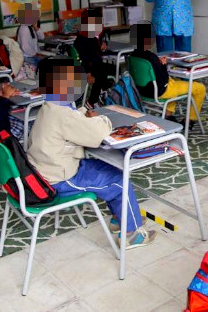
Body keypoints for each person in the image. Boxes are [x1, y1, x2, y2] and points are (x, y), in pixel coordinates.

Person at [27, 57, 155, 248]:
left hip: (48, 170)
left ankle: (118, 219)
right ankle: (132, 234)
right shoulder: (63, 115)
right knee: (120, 182)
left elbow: (71, 119)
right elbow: (97, 133)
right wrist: (100, 119)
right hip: (60, 178)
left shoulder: (51, 106)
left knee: (110, 170)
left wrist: (82, 115)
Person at [130, 22, 205, 130]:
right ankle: (190, 120)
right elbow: (163, 79)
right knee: (199, 88)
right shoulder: (151, 57)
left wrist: (158, 63)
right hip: (160, 91)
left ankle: (168, 114)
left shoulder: (133, 55)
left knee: (174, 82)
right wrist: (163, 65)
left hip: (142, 91)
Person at [74, 7, 115, 106]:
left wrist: (103, 46)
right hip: (87, 66)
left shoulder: (95, 34)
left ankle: (103, 90)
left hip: (95, 63)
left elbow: (100, 46)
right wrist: (88, 74)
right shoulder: (83, 38)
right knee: (101, 73)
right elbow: (83, 57)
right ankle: (92, 101)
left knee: (114, 70)